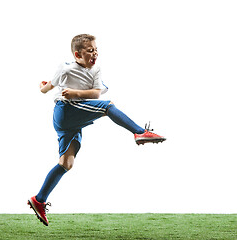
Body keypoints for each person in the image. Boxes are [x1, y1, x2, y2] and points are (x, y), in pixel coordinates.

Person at [28, 34, 166, 226]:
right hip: (65, 111)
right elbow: (50, 86)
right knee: (107, 106)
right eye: (90, 51)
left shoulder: (96, 70)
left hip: (74, 118)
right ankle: (139, 132)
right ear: (77, 54)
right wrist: (42, 87)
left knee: (66, 163)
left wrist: (76, 93)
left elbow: (95, 93)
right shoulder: (66, 67)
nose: (95, 54)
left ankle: (39, 199)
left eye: (96, 50)